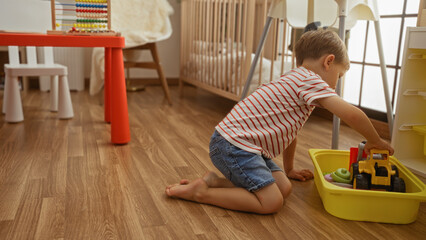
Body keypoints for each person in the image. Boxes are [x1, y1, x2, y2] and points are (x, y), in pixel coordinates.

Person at [165, 29, 394, 214]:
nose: (335, 84)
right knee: (272, 202)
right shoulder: (312, 82)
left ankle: (213, 182)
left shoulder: (294, 79)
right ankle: (201, 193)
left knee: (284, 187)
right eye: (339, 75)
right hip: (234, 147)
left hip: (241, 146)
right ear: (328, 61)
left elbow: (289, 132)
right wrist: (375, 140)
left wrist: (290, 168)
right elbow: (351, 114)